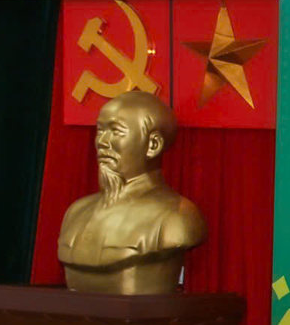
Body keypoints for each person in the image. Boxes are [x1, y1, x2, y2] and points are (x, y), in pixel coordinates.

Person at [57, 90, 206, 294]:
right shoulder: (76, 212)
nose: (102, 142)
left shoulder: (177, 216)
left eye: (116, 131)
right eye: (101, 131)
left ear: (152, 145)